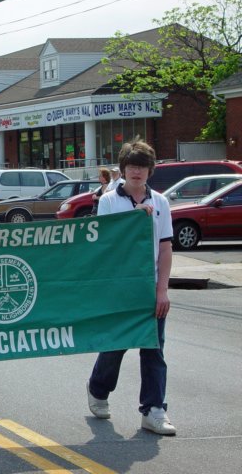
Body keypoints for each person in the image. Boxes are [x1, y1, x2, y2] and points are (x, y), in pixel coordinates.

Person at [86, 138, 176, 436]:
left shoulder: (160, 202)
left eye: (142, 167)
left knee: (154, 349)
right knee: (116, 345)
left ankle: (154, 409)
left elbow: (164, 248)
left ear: (150, 171)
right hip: (119, 287)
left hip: (149, 287)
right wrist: (135, 220)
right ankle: (98, 389)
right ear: (123, 170)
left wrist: (161, 290)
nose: (137, 172)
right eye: (131, 166)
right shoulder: (110, 201)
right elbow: (108, 242)